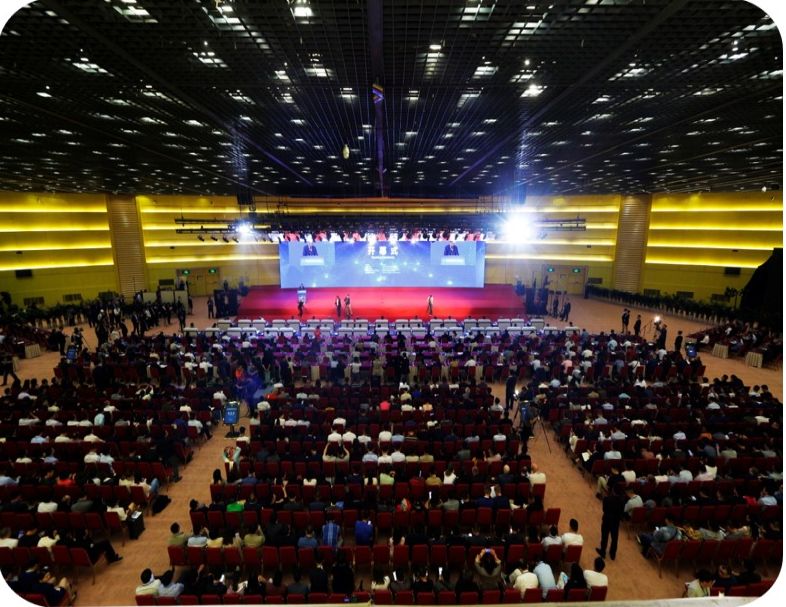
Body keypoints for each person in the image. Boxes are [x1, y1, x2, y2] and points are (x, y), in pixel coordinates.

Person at [596, 485, 624, 561]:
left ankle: (603, 551)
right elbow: (621, 512)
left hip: (607, 520)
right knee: (614, 538)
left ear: (613, 491)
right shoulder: (622, 501)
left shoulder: (606, 499)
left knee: (604, 536)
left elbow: (604, 510)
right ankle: (612, 554)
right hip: (616, 522)